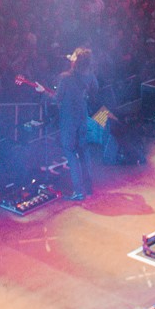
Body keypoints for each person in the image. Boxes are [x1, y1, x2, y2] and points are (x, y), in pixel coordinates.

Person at [55, 47, 100, 201]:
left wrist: (43, 92)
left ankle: (78, 192)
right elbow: (96, 89)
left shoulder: (65, 77)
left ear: (76, 60)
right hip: (82, 118)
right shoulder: (89, 75)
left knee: (71, 154)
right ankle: (88, 189)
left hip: (69, 122)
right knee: (84, 153)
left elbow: (57, 98)